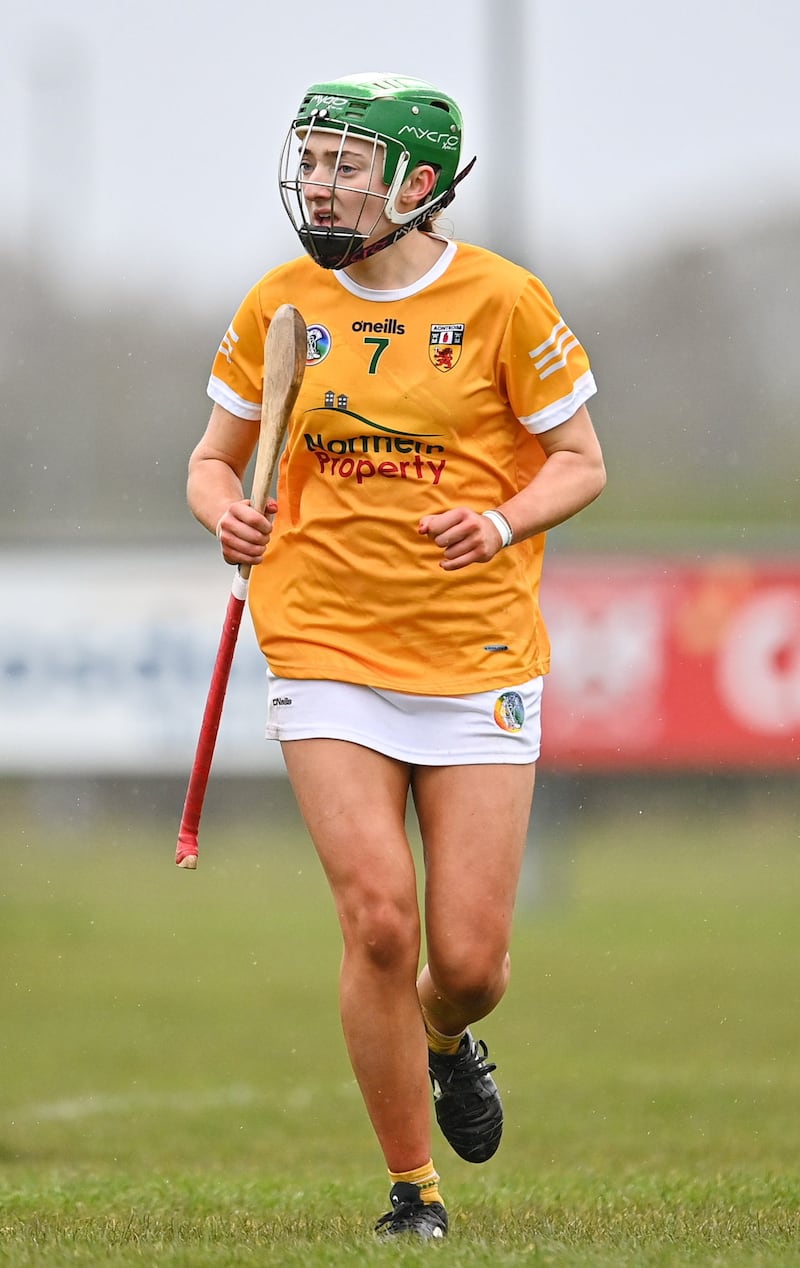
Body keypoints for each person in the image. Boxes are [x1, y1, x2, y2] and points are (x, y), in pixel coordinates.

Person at [186, 71, 606, 1242]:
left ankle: (446, 1035)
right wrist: (225, 509)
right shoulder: (279, 300)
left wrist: (503, 520)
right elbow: (212, 461)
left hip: (474, 654)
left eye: (344, 167)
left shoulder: (502, 302)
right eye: (310, 161)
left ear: (416, 186)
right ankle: (410, 1188)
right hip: (323, 640)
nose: (317, 185)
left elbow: (578, 458)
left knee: (465, 960)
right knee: (378, 917)